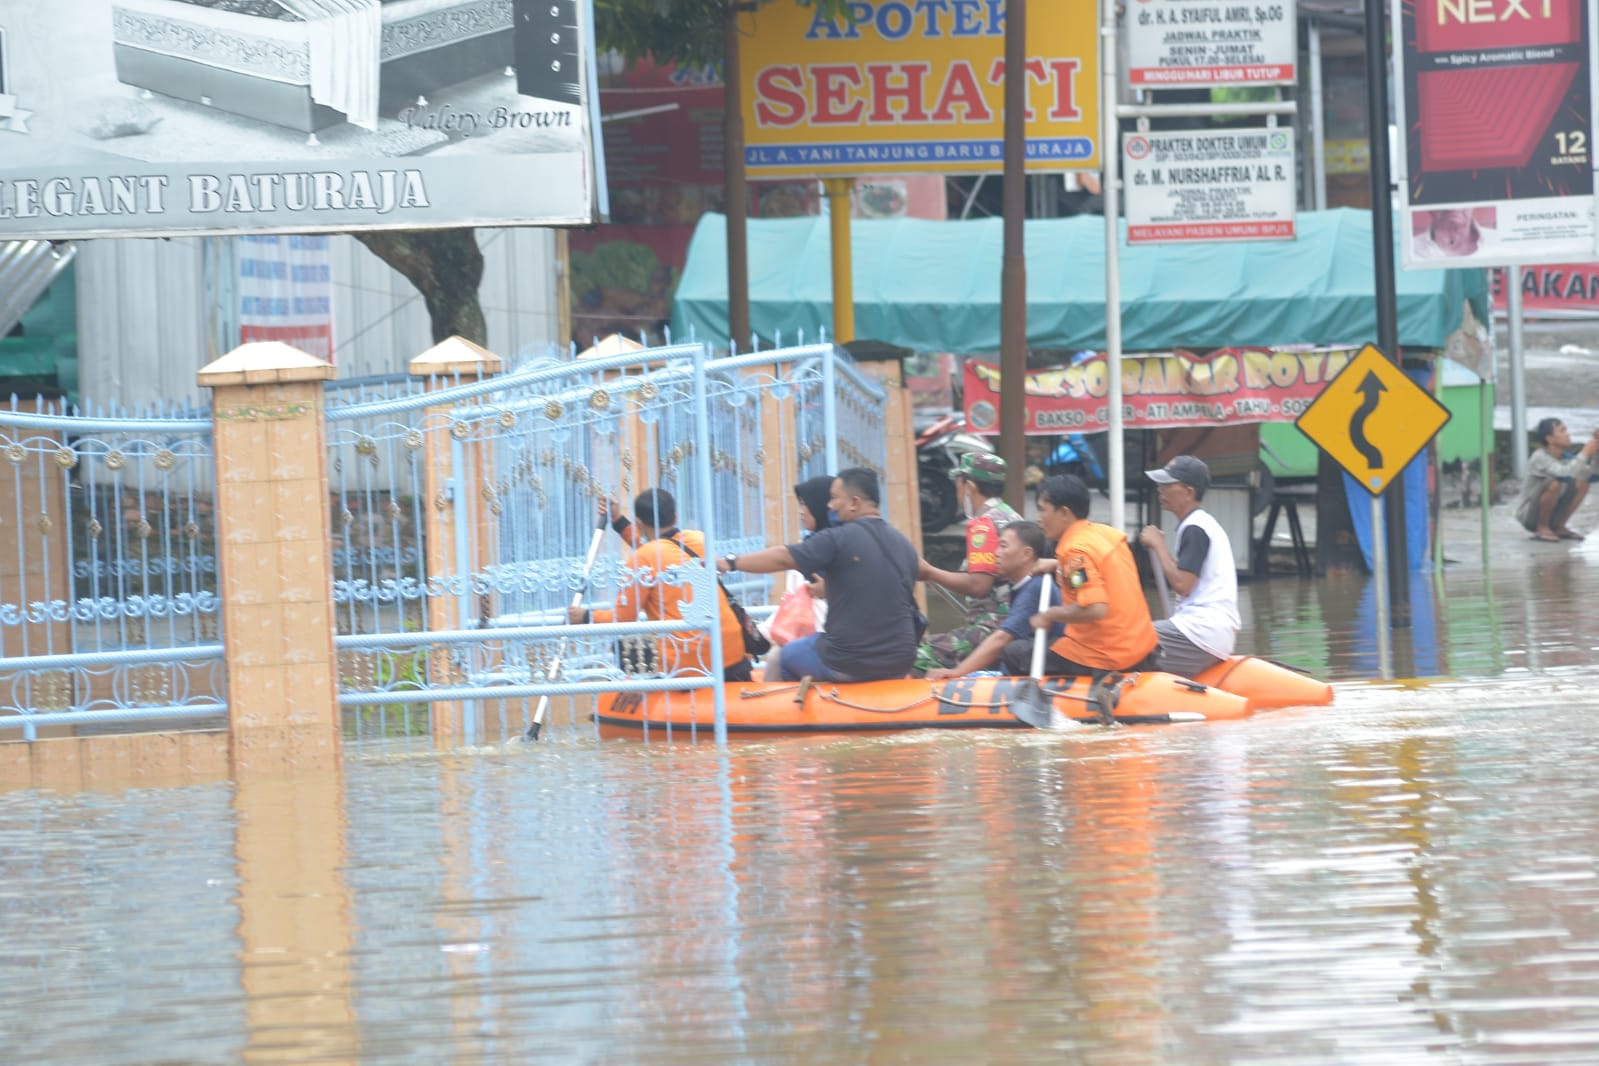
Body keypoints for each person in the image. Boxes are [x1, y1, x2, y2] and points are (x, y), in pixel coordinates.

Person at [717, 467, 919, 682]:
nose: (830, 505)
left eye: (834, 498)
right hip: (901, 660)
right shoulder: (903, 543)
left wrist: (731, 562)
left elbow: (783, 557)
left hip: (849, 659)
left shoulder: (837, 539)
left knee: (780, 658)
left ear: (854, 503)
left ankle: (781, 712)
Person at [568, 489, 752, 681]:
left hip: (690, 662)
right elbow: (656, 548)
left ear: (639, 523)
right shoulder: (698, 540)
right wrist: (618, 520)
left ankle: (651, 700)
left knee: (624, 647)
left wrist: (586, 616)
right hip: (731, 654)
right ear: (675, 516)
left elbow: (622, 619)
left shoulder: (644, 558)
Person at [1029, 474, 1159, 676]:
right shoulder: (1104, 534)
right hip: (1141, 647)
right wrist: (1056, 565)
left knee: (1015, 653)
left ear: (1064, 513)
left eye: (1042, 510)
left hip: (1106, 656)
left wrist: (1051, 615)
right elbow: (1096, 571)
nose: (1038, 518)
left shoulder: (1075, 551)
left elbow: (1095, 609)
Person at [914, 452, 1022, 674]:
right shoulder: (1013, 517)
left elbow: (978, 585)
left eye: (958, 484)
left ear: (969, 486)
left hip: (992, 628)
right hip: (1014, 624)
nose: (957, 491)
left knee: (915, 657)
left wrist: (929, 572)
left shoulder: (983, 524)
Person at [1136, 455, 1241, 679]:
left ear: (1188, 492)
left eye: (1167, 485)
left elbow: (1183, 585)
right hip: (1208, 631)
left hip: (1201, 632)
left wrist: (1158, 545)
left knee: (1130, 637)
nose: (1159, 490)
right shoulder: (1197, 524)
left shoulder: (1195, 528)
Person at [926, 521, 1064, 679]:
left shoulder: (1035, 587)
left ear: (1026, 554)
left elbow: (1002, 638)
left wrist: (957, 672)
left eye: (1003, 546)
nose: (996, 553)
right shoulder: (1022, 585)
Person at [1515, 417, 1599, 542]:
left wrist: (1596, 451)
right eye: (1562, 431)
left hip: (1552, 515)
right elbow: (1564, 473)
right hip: (1529, 516)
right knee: (1554, 484)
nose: (1568, 434)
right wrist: (1585, 452)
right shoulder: (1539, 457)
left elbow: (1593, 475)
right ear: (1550, 438)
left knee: (1583, 483)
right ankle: (1541, 527)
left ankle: (1559, 527)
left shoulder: (1565, 457)